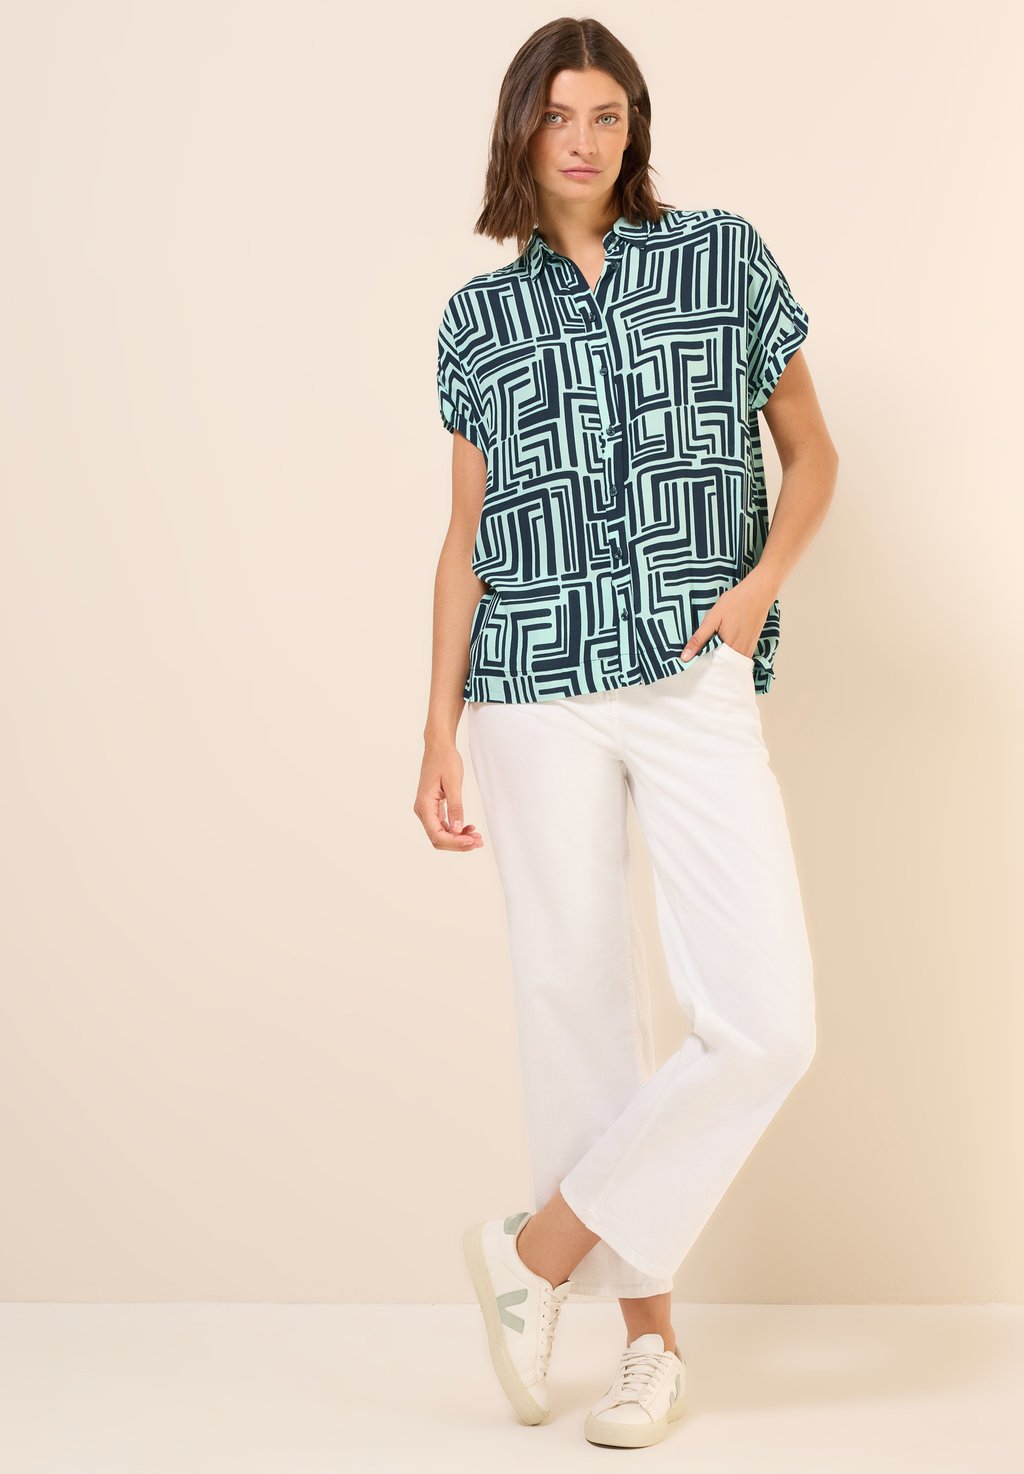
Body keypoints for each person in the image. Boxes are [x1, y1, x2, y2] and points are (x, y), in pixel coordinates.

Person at [414, 16, 838, 1451]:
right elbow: (465, 539)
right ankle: (647, 1348)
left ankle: (533, 1252)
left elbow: (812, 450)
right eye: (559, 116)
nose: (584, 140)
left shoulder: (721, 259)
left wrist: (755, 592)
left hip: (693, 665)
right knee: (578, 1007)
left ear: (634, 128)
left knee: (768, 1020)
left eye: (607, 114)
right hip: (529, 683)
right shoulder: (478, 320)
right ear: (520, 132)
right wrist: (435, 730)